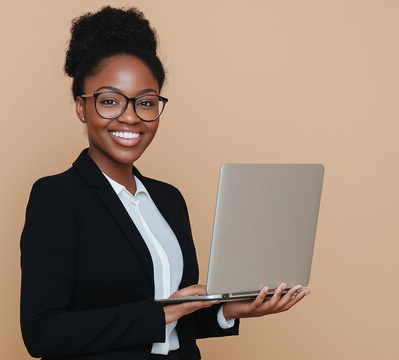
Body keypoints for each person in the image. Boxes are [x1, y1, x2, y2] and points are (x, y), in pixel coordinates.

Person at [20, 6, 310, 360]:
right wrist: (162, 312)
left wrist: (228, 311)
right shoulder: (58, 197)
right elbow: (43, 332)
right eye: (109, 101)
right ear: (81, 106)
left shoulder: (169, 199)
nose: (130, 117)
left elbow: (176, 325)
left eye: (146, 102)